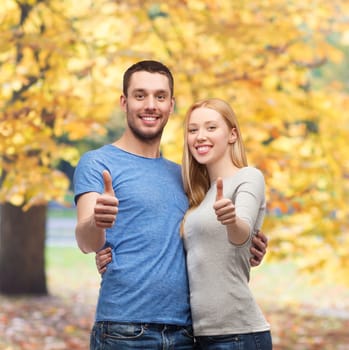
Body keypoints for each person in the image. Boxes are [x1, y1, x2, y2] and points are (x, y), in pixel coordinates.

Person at [74, 60, 268, 350]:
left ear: (171, 105)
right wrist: (97, 222)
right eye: (140, 95)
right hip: (124, 331)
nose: (150, 105)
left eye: (160, 96)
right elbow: (87, 240)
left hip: (187, 334)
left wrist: (249, 242)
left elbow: (209, 233)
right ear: (124, 102)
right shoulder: (98, 163)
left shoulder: (187, 177)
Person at [181, 98, 272, 349]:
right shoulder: (198, 196)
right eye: (193, 130)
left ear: (232, 135)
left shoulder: (248, 177)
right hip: (197, 336)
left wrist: (231, 220)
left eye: (211, 128)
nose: (200, 136)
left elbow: (241, 233)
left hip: (238, 335)